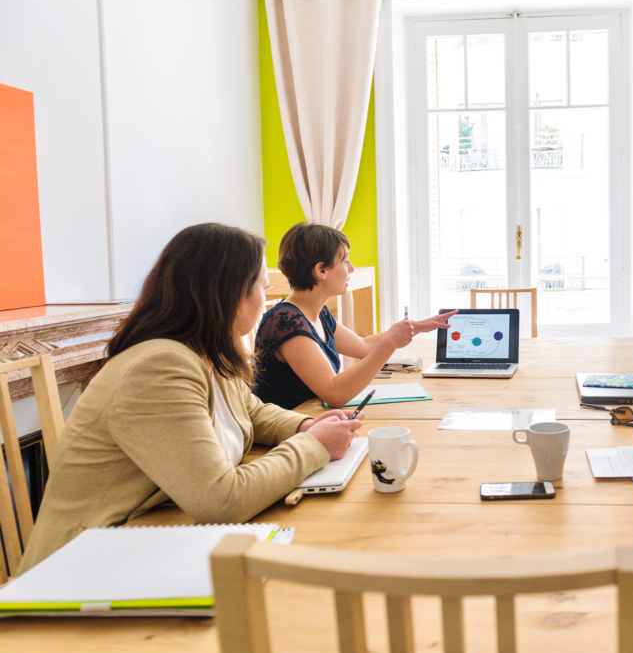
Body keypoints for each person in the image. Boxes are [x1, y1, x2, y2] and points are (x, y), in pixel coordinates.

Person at [19, 224, 361, 574]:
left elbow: (251, 411)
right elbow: (222, 501)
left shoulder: (205, 352)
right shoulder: (159, 366)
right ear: (229, 295)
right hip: (81, 569)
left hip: (144, 542)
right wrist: (313, 446)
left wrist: (306, 424)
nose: (264, 298)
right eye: (260, 286)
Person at [253, 222, 456, 409]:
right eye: (345, 261)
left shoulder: (316, 313)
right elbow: (335, 393)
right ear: (321, 270)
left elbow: (363, 346)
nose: (352, 268)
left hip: (313, 419)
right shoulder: (285, 322)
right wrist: (391, 343)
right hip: (287, 437)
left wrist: (415, 326)